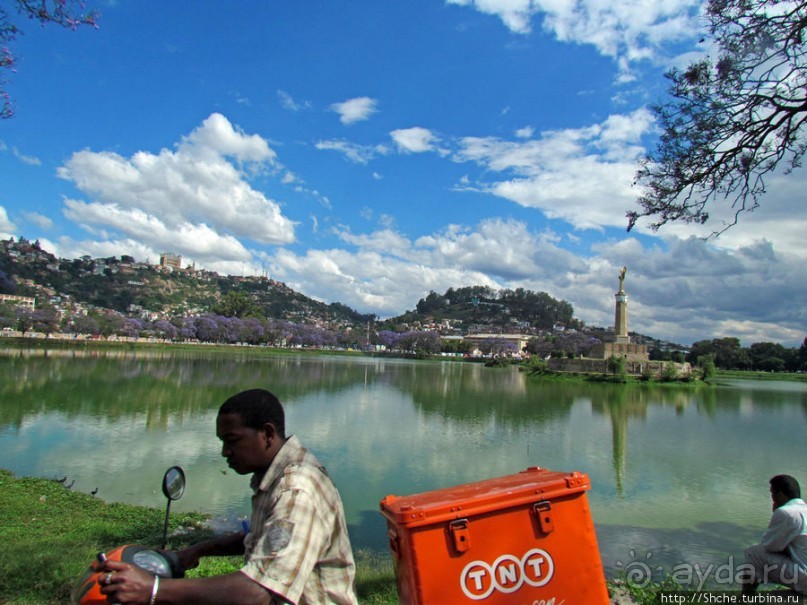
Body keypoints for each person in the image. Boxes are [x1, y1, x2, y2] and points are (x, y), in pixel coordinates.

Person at [99, 388, 358, 604]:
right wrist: (196, 551)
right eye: (223, 442)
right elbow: (269, 539)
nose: (225, 452)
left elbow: (261, 591)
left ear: (267, 434)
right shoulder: (276, 474)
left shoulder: (296, 491)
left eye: (232, 441)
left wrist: (153, 589)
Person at [742, 474, 807, 596]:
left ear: (780, 495)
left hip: (804, 576)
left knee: (754, 552)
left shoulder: (786, 512)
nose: (772, 498)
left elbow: (769, 546)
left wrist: (775, 513)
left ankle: (746, 597)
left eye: (772, 494)